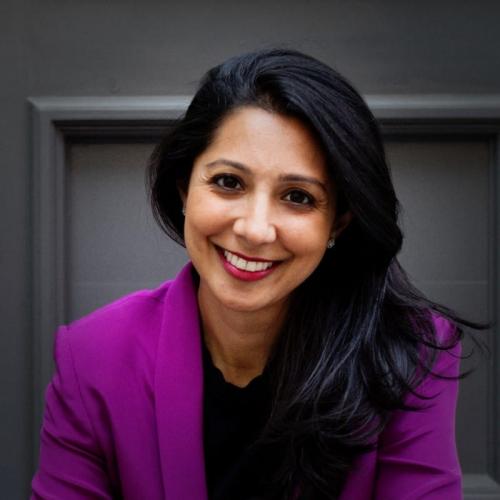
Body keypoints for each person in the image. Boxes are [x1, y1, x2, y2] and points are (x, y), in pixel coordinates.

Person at [31, 48, 485, 500]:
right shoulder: (91, 359)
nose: (254, 229)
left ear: (338, 223)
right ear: (184, 188)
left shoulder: (410, 354)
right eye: (228, 182)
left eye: (298, 197)